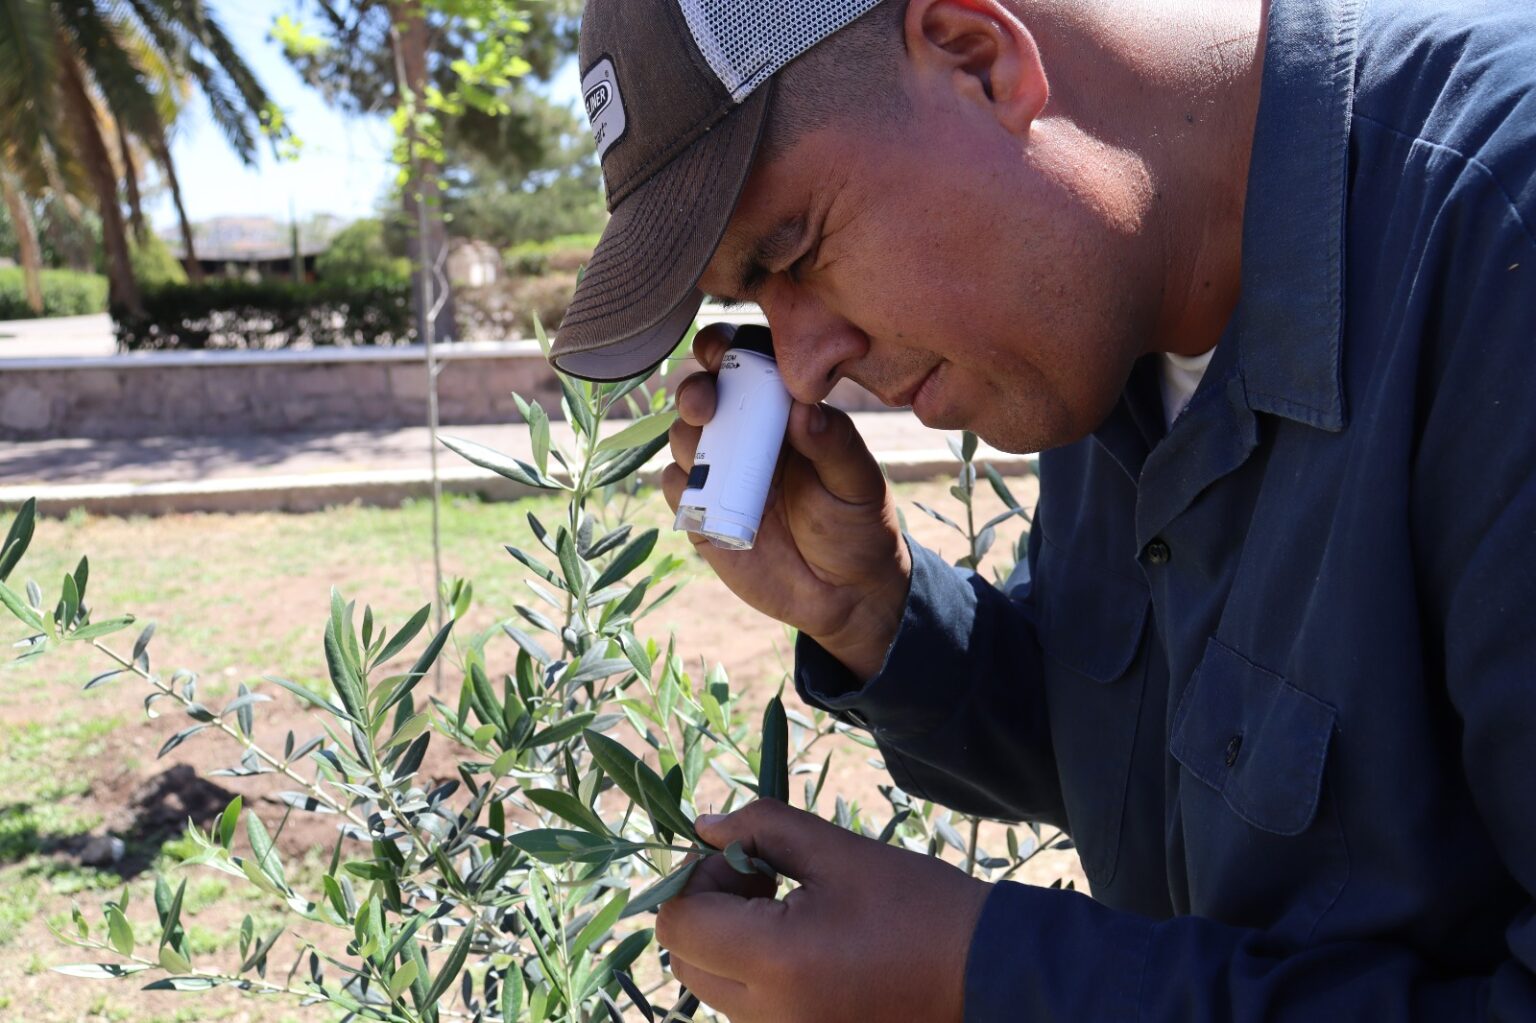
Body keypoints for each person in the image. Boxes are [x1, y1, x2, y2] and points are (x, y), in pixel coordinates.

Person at [550, 0, 1536, 1018]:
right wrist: (877, 612)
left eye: (796, 251)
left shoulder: (1504, 226)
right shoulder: (1093, 314)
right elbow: (1146, 758)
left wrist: (983, 979)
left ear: (978, 56)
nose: (803, 368)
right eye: (756, 307)